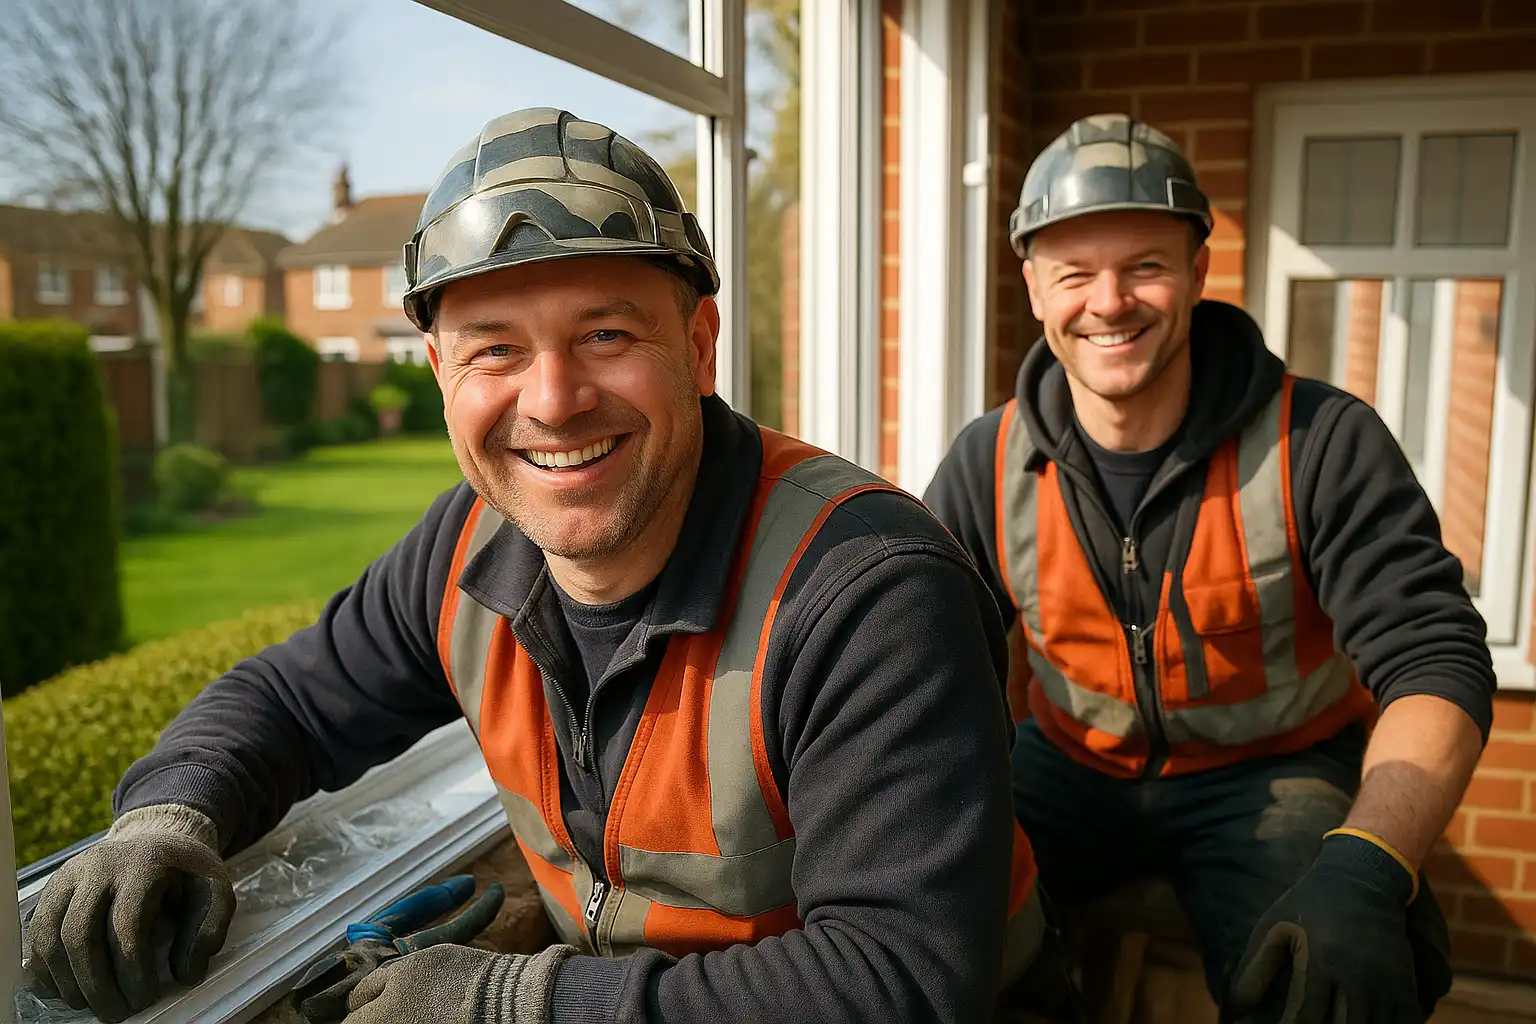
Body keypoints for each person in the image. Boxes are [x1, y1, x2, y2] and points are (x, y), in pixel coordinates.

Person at [22, 107, 1042, 1024]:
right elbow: (289, 699)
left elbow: (901, 978)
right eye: (495, 349)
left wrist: (517, 1003)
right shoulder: (468, 541)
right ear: (439, 373)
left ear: (699, 345)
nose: (553, 401)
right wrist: (165, 815)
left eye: (605, 333)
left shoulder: (867, 591)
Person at [923, 113, 1495, 1024]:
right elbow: (919, 669)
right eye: (1075, 274)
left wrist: (1371, 862)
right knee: (923, 936)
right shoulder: (984, 462)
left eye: (1145, 265)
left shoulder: (1322, 441)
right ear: (1034, 288)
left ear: (1197, 272)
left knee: (1341, 976)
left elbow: (1437, 660)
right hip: (1065, 771)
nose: (1109, 302)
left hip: (1273, 778)